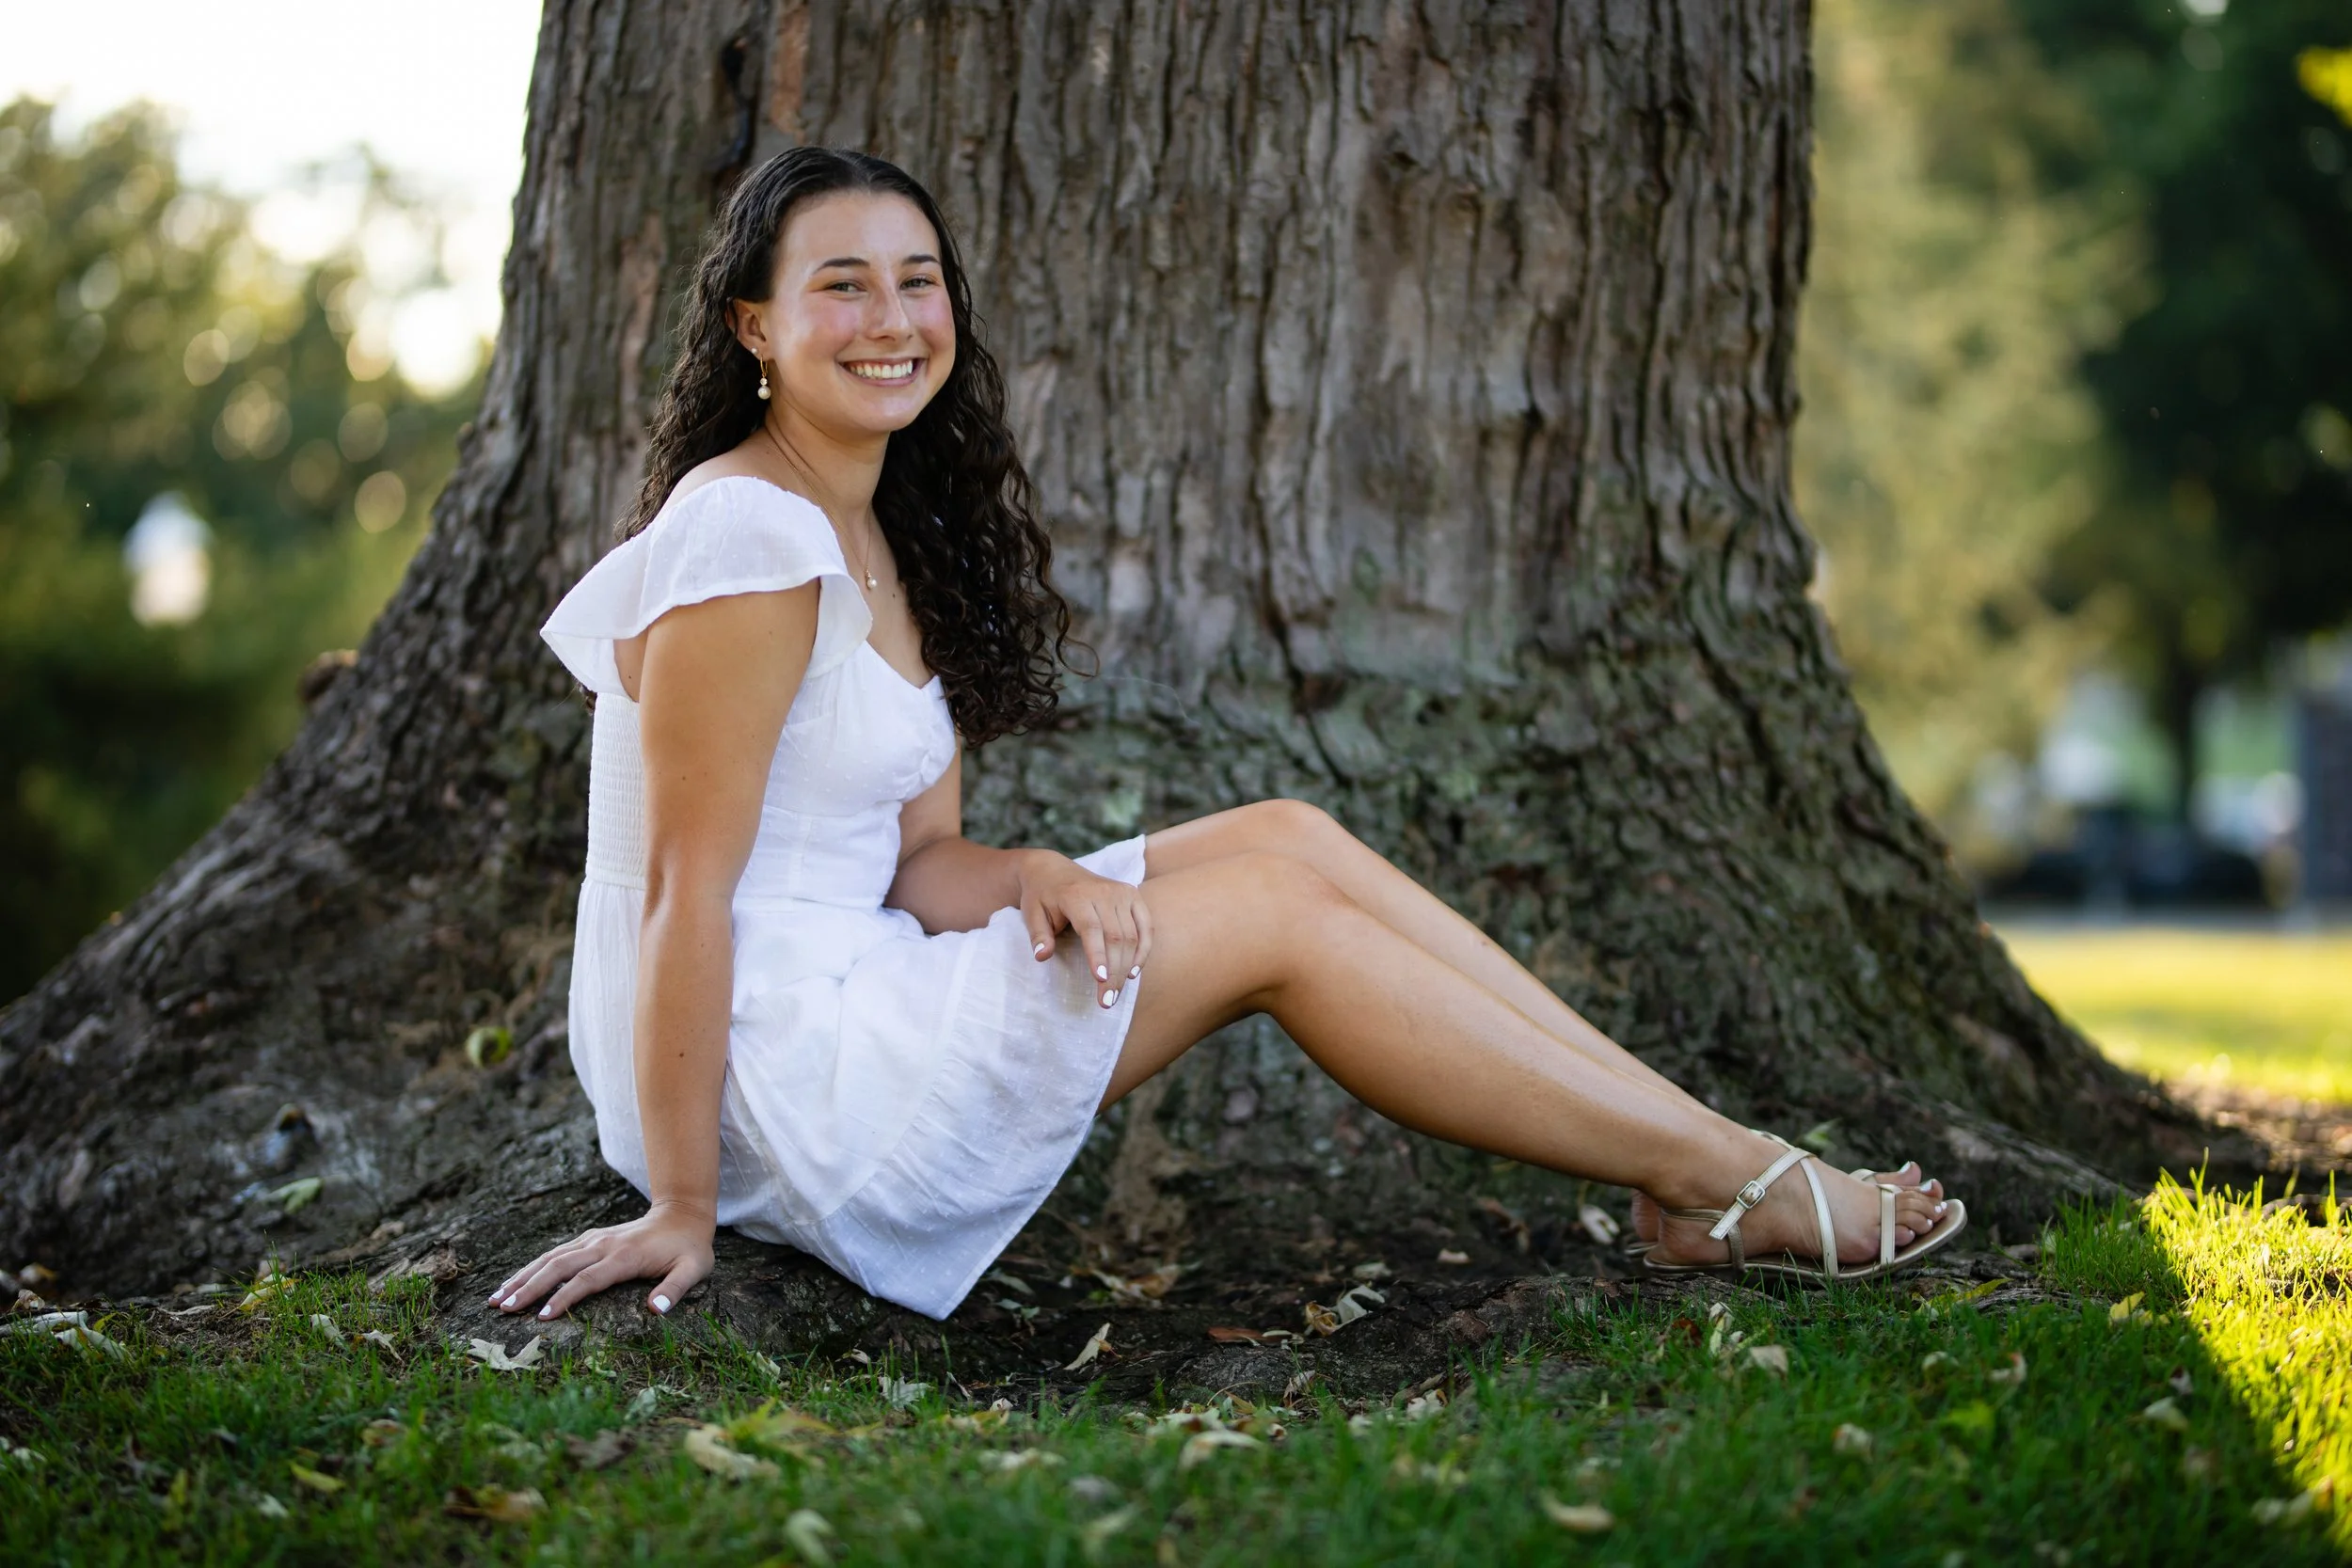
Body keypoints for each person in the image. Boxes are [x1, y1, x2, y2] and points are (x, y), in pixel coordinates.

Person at [493, 148, 1964, 1326]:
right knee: (1272, 917)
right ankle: (1723, 1177)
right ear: (755, 325)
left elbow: (918, 859)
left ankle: (1698, 1157)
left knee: (1287, 837)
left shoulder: (880, 530)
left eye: (918, 280)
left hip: (840, 977)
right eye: (841, 285)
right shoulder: (747, 532)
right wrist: (680, 1204)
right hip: (770, 1072)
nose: (890, 319)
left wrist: (1036, 873)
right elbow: (685, 891)